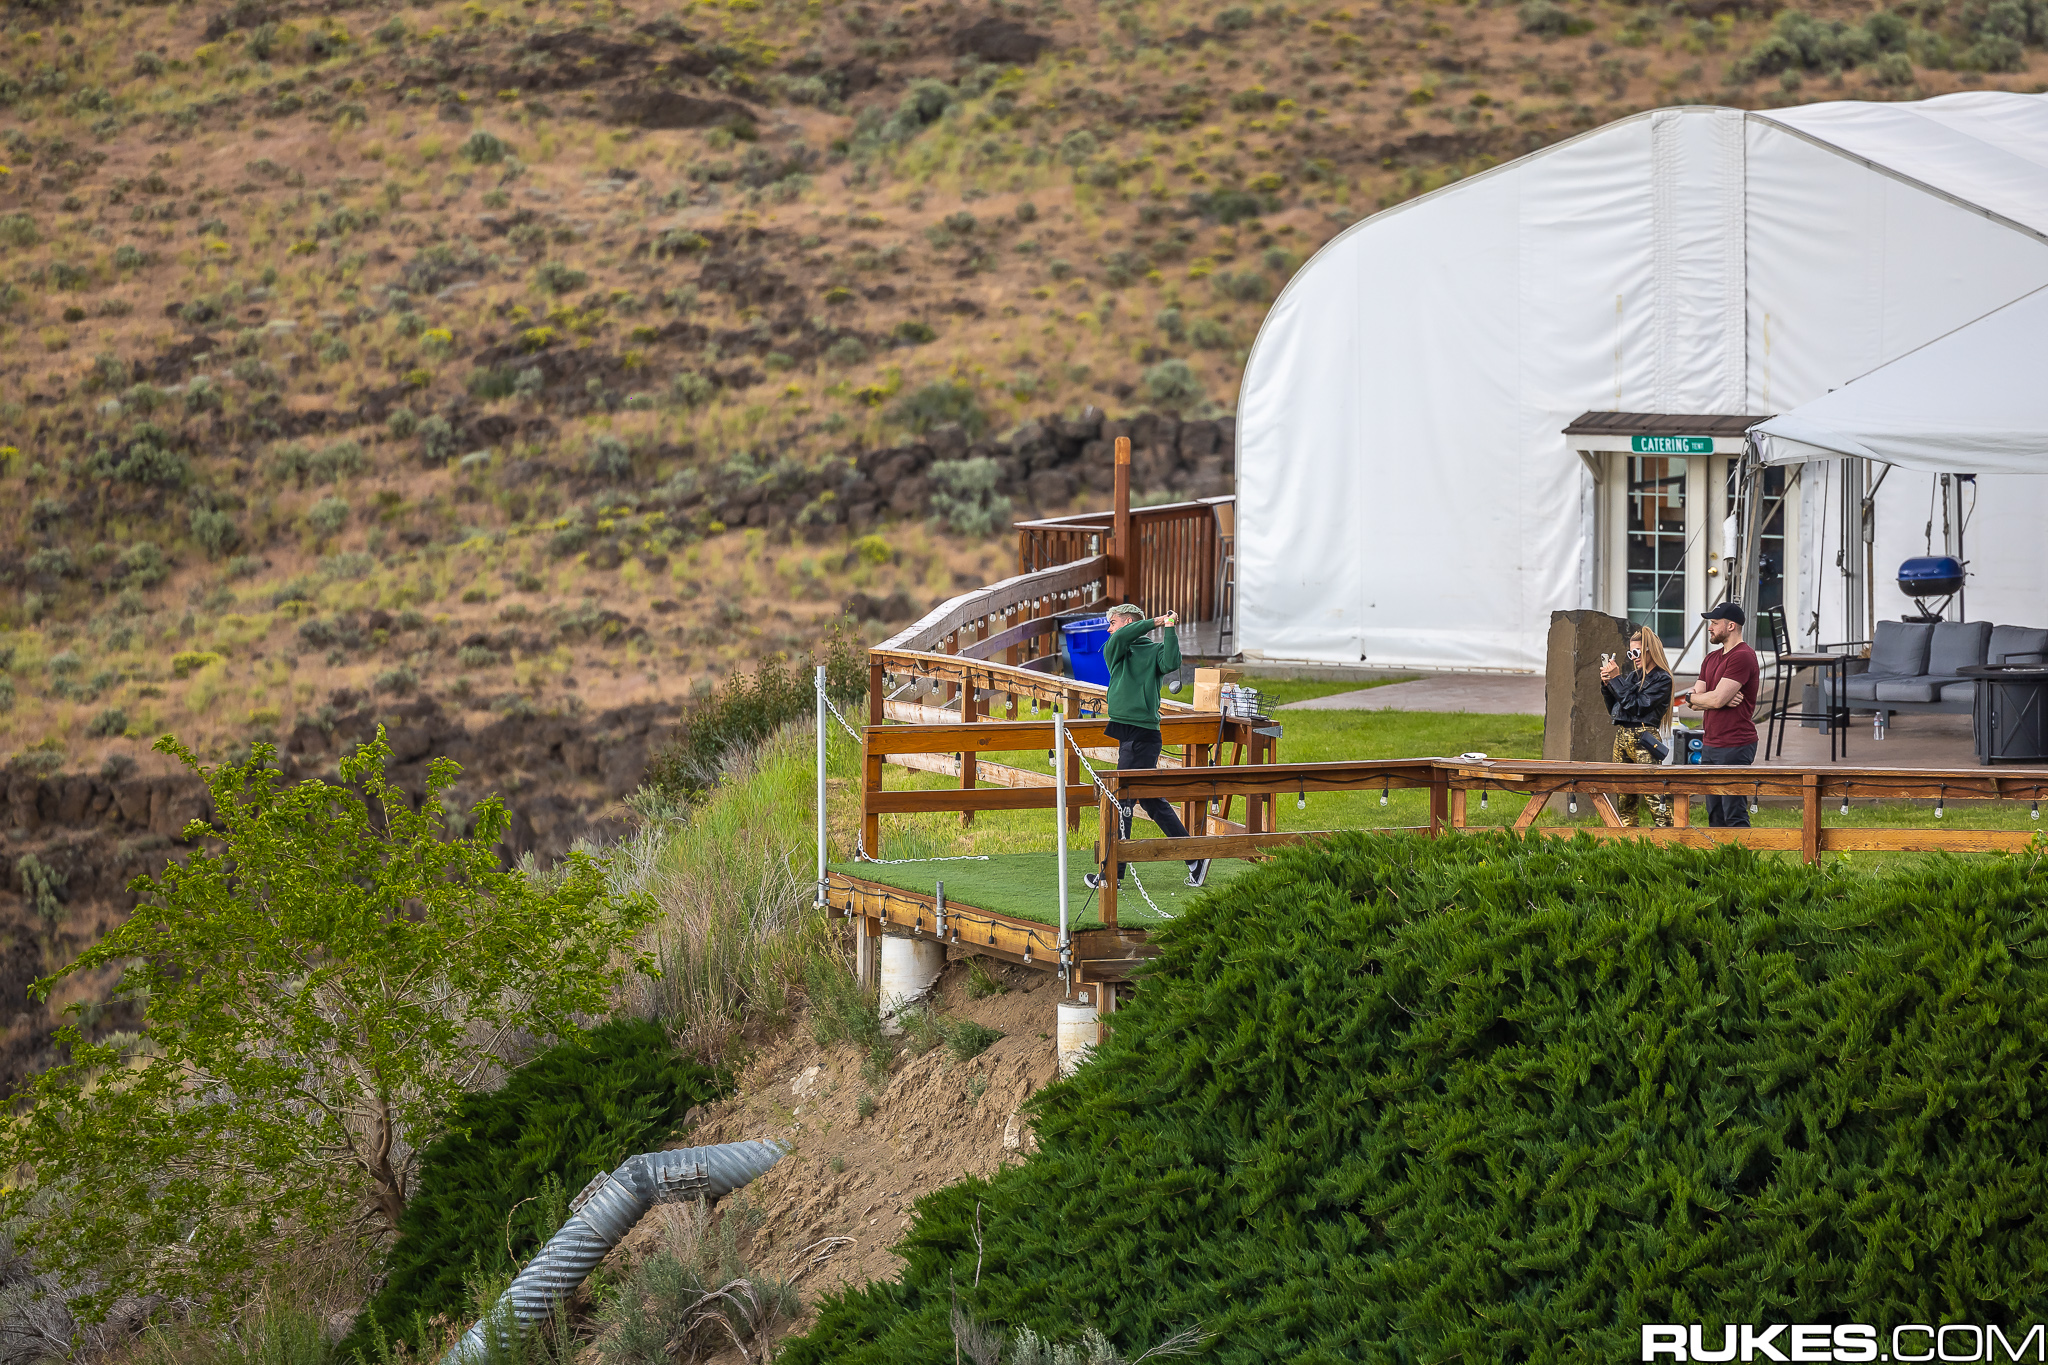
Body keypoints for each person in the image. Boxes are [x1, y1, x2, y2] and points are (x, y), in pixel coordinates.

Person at [1083, 603, 1210, 890]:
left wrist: (1169, 628)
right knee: (1151, 801)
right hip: (1131, 733)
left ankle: (1112, 873)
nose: (1109, 629)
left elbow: (1172, 661)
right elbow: (1120, 637)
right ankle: (1195, 859)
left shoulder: (1152, 651)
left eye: (1113, 623)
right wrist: (1157, 621)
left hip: (1143, 735)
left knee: (1121, 800)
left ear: (1128, 622)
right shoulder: (1115, 649)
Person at [1677, 602, 1759, 828]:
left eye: (1714, 623)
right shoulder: (1711, 659)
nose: (1710, 628)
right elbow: (1694, 702)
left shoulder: (1743, 656)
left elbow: (1713, 700)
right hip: (1711, 743)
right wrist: (1702, 698)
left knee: (1733, 813)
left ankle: (1742, 852)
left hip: (1735, 743)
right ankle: (1721, 852)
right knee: (1715, 815)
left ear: (1731, 626)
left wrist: (1711, 699)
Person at [1599, 626, 1674, 828]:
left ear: (1650, 650)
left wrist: (1616, 680)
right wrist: (1608, 685)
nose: (1634, 657)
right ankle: (1628, 836)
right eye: (1630, 653)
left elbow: (1638, 707)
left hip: (1644, 737)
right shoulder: (1634, 676)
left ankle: (1669, 835)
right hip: (1623, 735)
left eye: (1637, 652)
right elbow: (1617, 709)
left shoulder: (1662, 678)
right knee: (1624, 793)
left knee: (1654, 792)